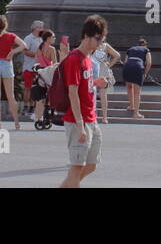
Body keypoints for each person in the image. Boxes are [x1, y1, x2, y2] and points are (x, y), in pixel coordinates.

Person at [60, 15, 108, 188]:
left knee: (91, 165)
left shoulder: (88, 59)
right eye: (98, 39)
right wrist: (80, 125)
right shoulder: (74, 58)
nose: (100, 43)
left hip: (91, 118)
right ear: (86, 36)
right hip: (77, 120)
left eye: (102, 40)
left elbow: (83, 86)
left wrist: (96, 83)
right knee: (76, 168)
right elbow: (72, 93)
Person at [0, 15, 27, 131]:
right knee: (11, 95)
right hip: (7, 63)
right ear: (5, 25)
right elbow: (24, 45)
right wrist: (13, 51)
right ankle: (16, 122)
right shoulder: (11, 36)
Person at [30, 29, 57, 128]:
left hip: (40, 74)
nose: (54, 39)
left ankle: (37, 115)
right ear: (48, 38)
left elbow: (36, 61)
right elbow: (54, 64)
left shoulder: (39, 48)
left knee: (41, 97)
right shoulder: (52, 49)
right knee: (49, 95)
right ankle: (47, 114)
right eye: (53, 37)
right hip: (48, 74)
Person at [91, 38, 121, 123]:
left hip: (94, 70)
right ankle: (104, 117)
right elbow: (117, 55)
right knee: (102, 95)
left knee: (94, 94)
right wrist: (109, 65)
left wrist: (109, 65)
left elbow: (117, 55)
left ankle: (98, 116)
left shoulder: (93, 45)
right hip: (101, 70)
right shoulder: (105, 46)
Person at [20, 20, 45, 120]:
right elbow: (25, 51)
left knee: (36, 88)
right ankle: (26, 106)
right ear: (35, 28)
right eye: (41, 27)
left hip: (38, 67)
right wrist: (36, 55)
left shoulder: (41, 39)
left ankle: (33, 106)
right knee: (28, 87)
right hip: (29, 67)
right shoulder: (28, 38)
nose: (42, 29)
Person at [121, 38, 152, 119]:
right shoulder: (146, 49)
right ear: (145, 45)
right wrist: (145, 72)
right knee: (137, 92)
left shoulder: (131, 49)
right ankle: (136, 113)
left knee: (129, 87)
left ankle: (131, 105)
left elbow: (125, 61)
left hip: (127, 66)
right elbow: (149, 63)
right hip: (138, 66)